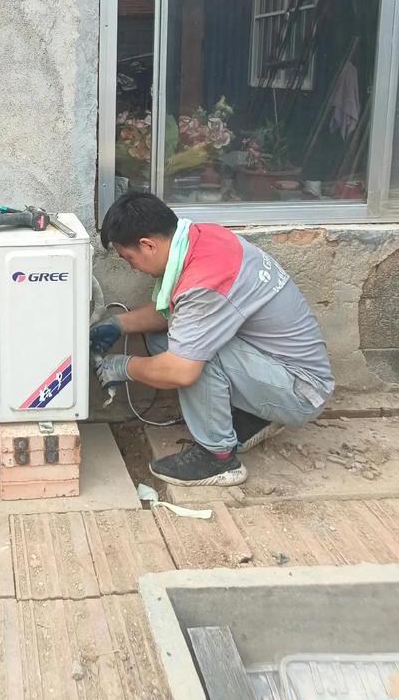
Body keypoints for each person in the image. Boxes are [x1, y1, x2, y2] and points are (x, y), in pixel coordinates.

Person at [90, 192, 333, 487]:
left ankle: (217, 458)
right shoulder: (202, 239)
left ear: (148, 245)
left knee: (192, 356)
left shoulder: (203, 282)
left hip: (301, 391)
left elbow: (181, 370)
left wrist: (123, 367)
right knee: (168, 340)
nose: (133, 267)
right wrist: (118, 324)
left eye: (129, 258)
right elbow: (176, 313)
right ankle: (255, 416)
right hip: (280, 368)